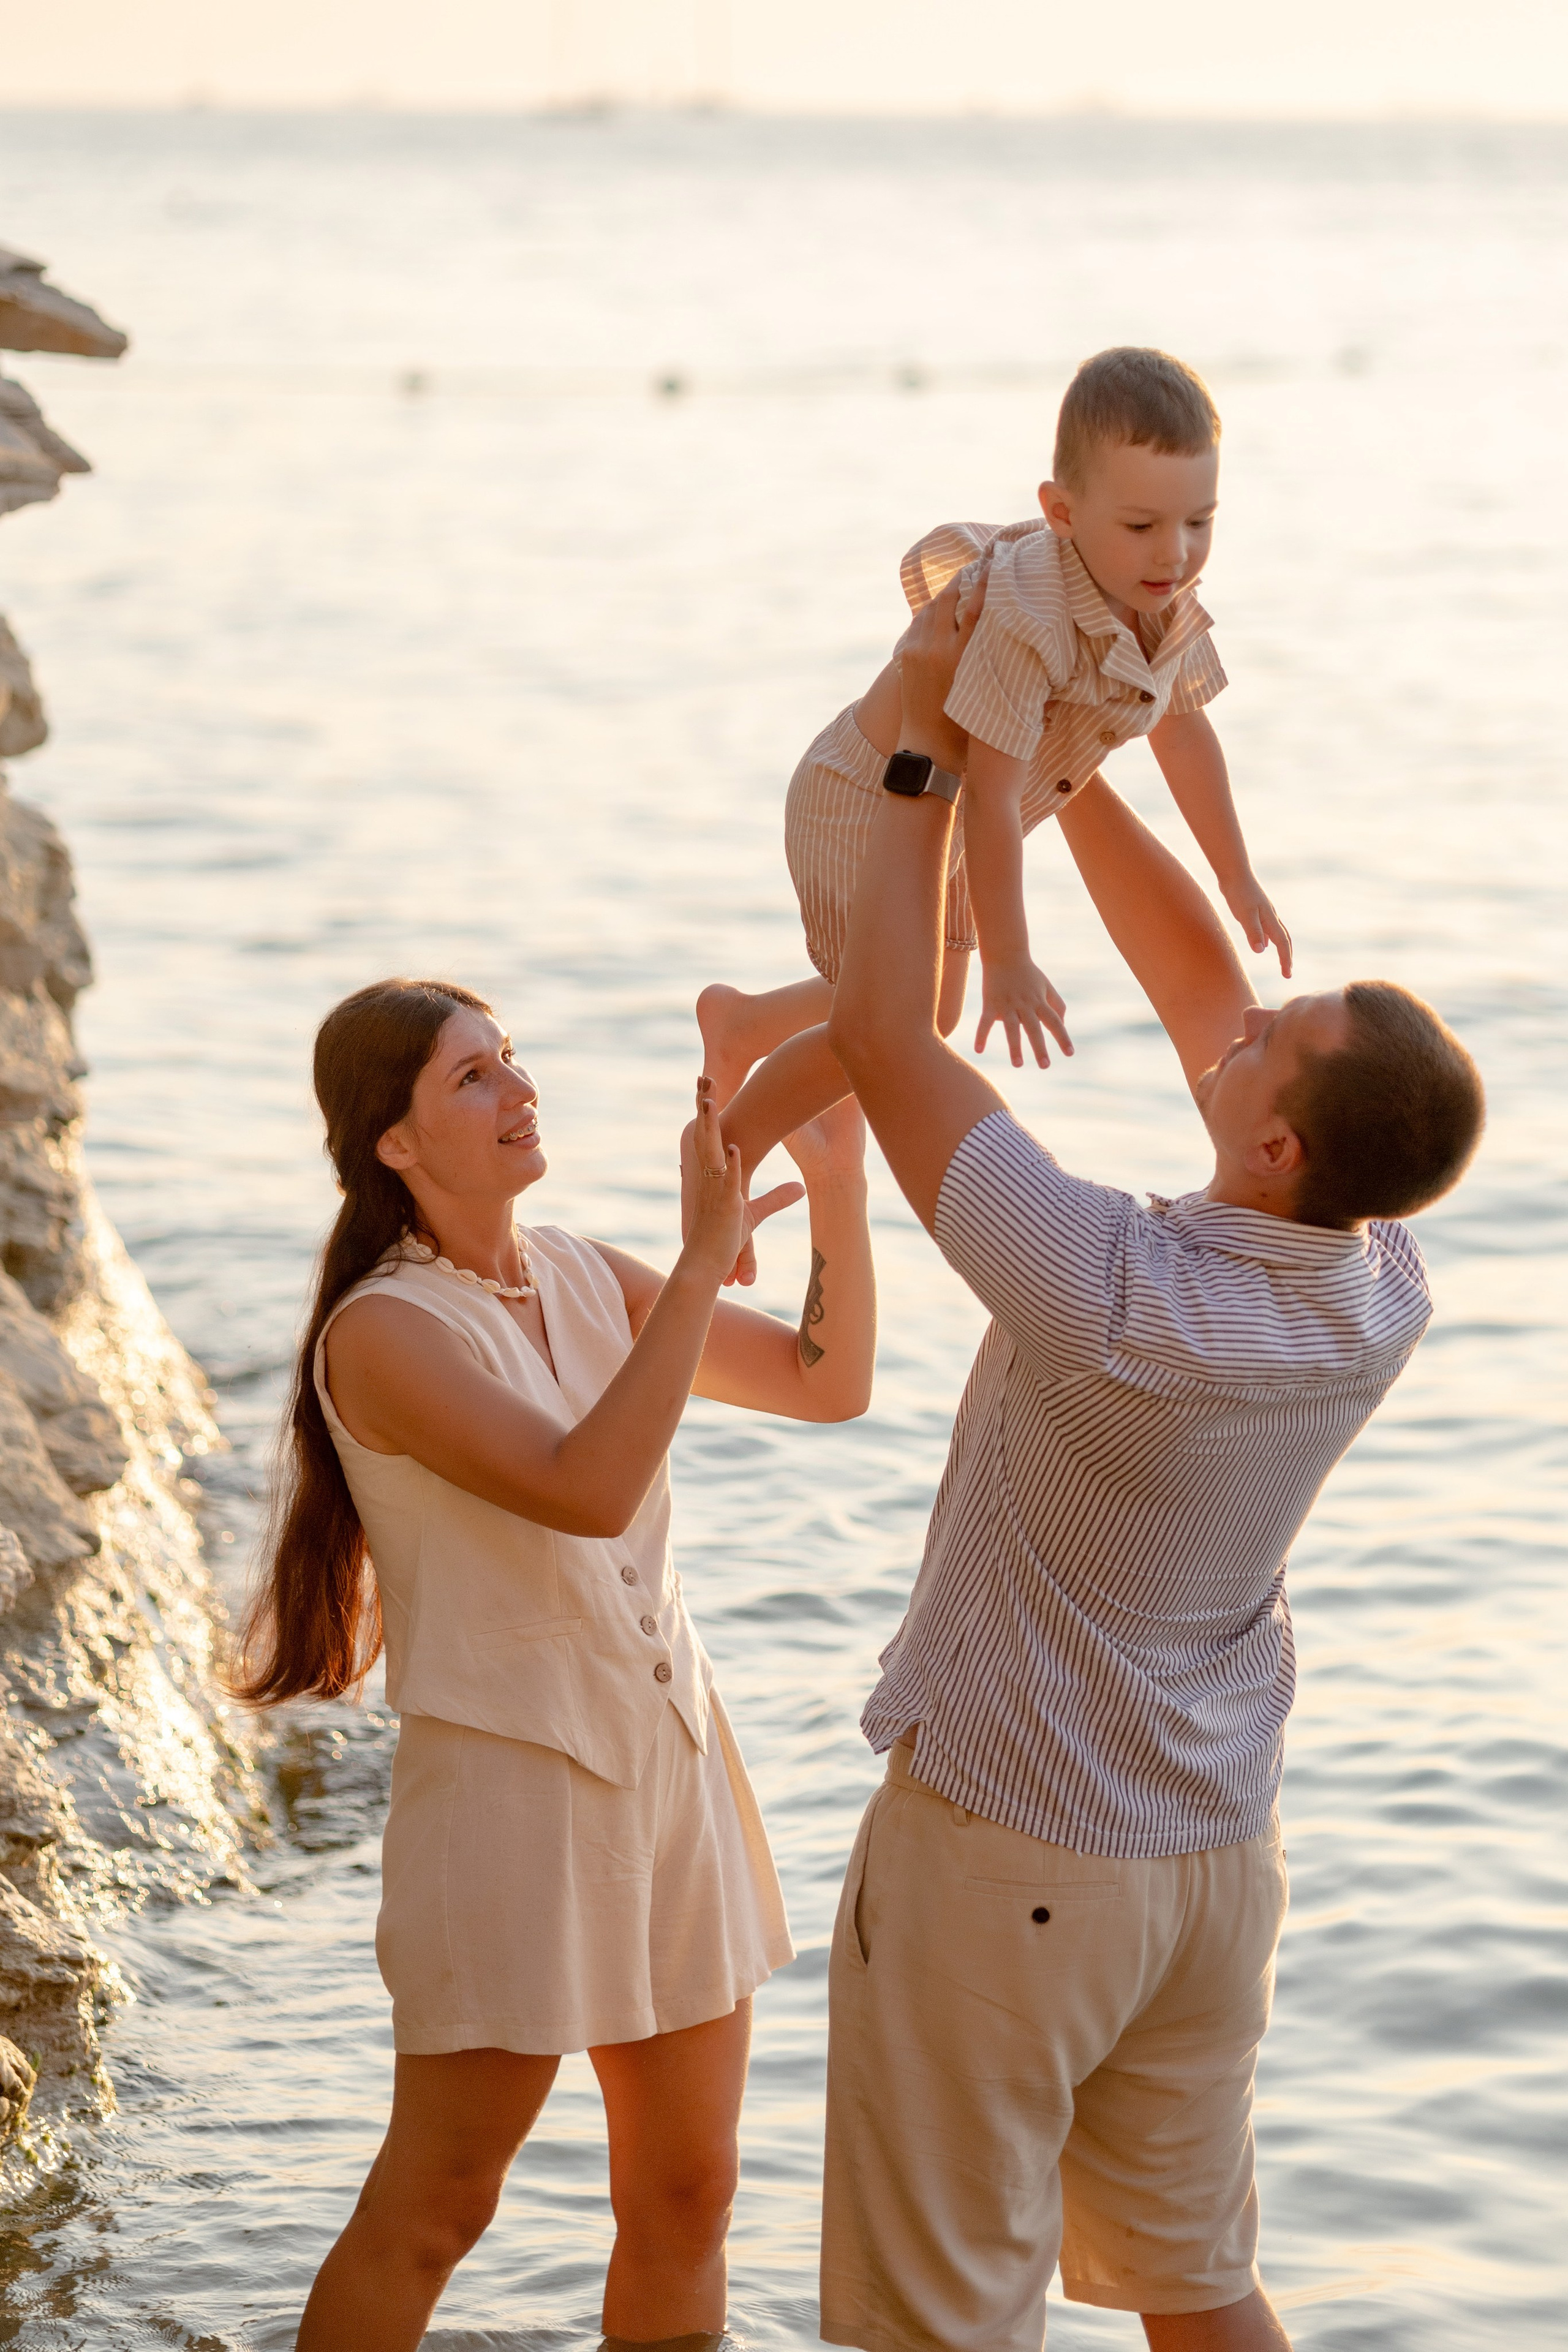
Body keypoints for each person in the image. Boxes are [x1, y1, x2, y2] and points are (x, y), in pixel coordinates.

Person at [816, 581, 1484, 2352]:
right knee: (1201, 2291)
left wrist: (918, 737)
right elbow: (1206, 983)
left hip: (1020, 1865)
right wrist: (1051, 742)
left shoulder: (1110, 1291)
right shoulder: (1375, 1281)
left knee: (939, 2319)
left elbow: (888, 1040)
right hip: (1207, 1868)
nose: (1239, 1014)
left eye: (1272, 1037)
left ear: (1271, 1139)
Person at [230, 978, 876, 2352]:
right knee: (444, 2203)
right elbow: (582, 1489)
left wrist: (835, 1182)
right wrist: (700, 1263)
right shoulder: (386, 1333)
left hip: (674, 1770)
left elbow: (827, 1382)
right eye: (473, 1079)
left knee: (691, 2191)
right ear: (391, 1142)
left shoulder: (584, 1269)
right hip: (510, 1797)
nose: (519, 1092)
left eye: (511, 1061)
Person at [696, 346, 1290, 1282]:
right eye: (1142, 524)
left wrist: (1237, 872)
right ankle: (732, 1146)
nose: (1174, 553)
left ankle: (744, 1024)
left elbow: (1185, 732)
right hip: (872, 798)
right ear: (1062, 512)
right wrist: (1010, 956)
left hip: (957, 816)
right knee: (897, 1027)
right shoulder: (1026, 613)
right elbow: (999, 796)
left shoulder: (1161, 598)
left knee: (914, 1015)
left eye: (1199, 522)